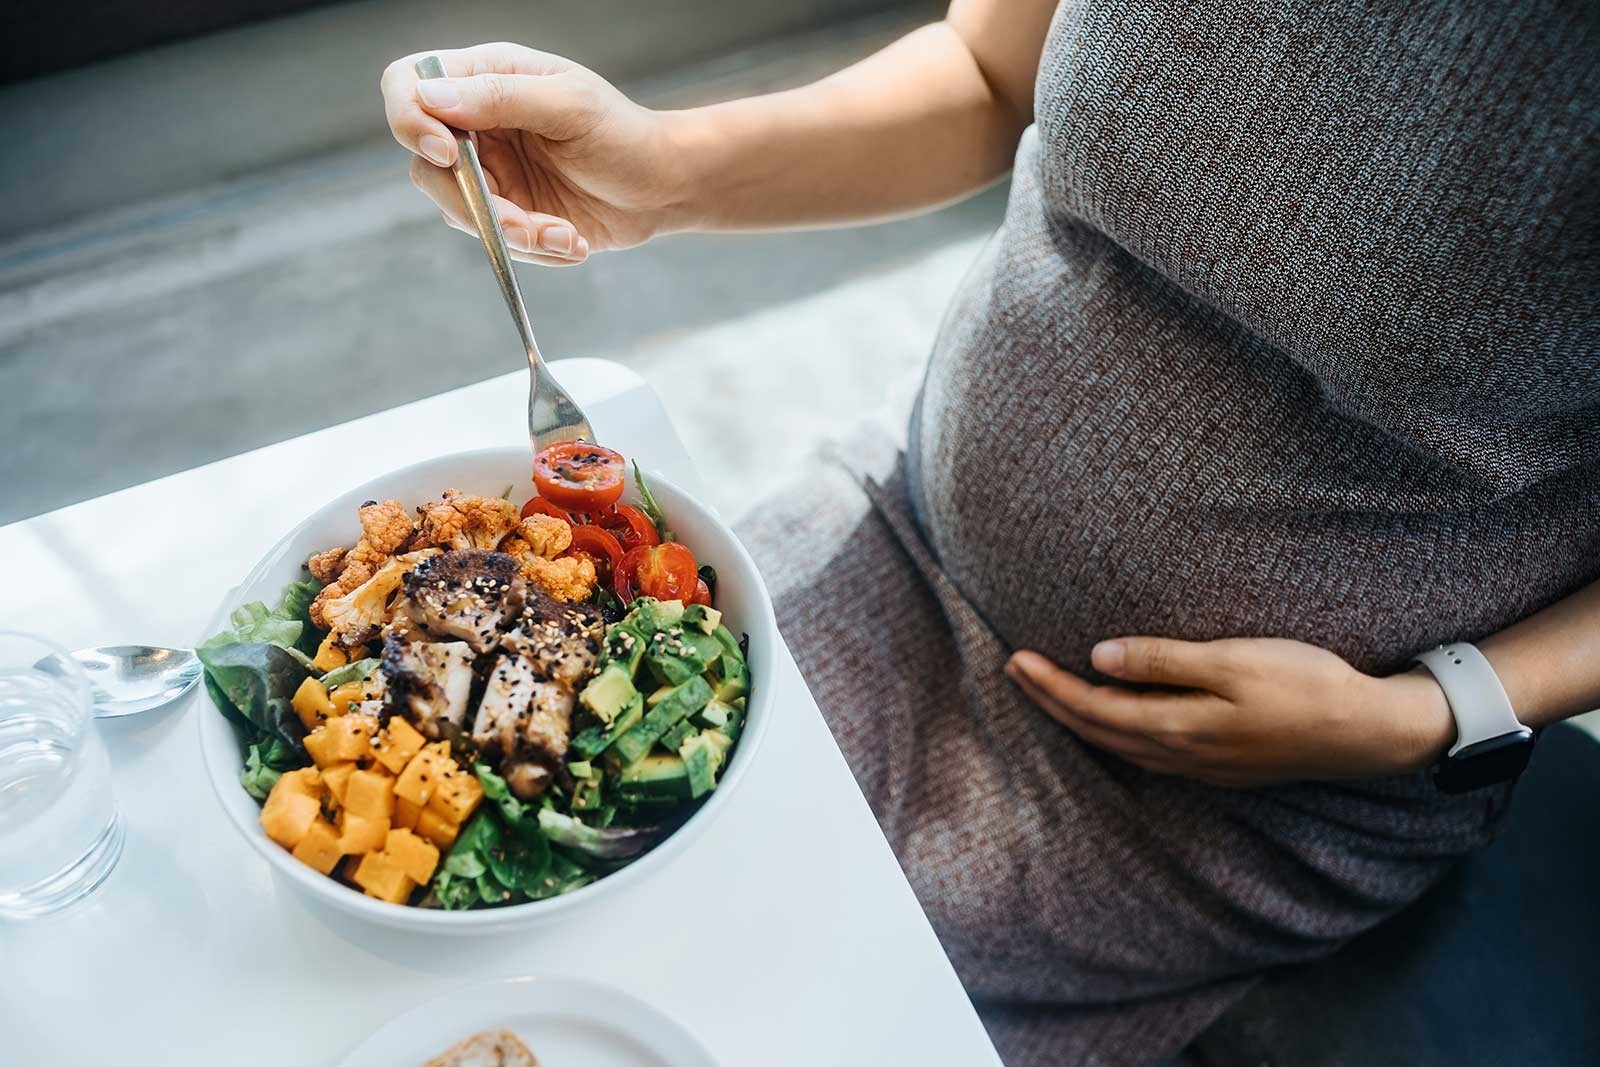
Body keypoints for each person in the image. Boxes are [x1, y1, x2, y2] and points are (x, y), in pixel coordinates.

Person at [382, 3, 1599, 1063]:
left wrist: (1437, 709)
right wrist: (663, 165)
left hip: (1227, 791)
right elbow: (987, 73)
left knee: (723, 1001)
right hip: (903, 525)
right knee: (470, 915)